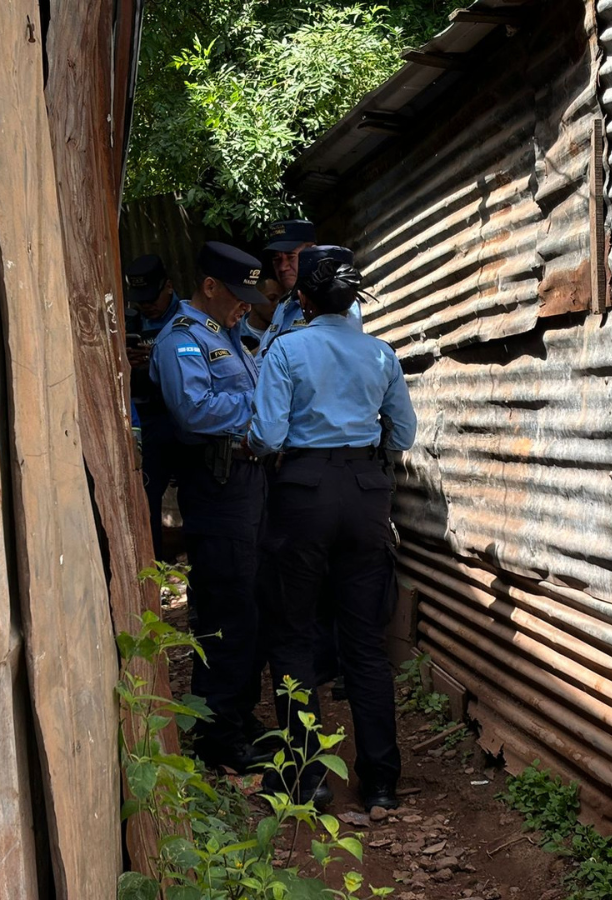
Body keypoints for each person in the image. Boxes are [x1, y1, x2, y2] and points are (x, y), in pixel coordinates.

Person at [247, 248, 417, 811]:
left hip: (303, 494)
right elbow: (403, 435)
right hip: (367, 496)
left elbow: (269, 436)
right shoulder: (380, 354)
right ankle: (383, 783)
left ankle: (310, 778)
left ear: (303, 299)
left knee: (293, 634)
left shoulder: (287, 349)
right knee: (365, 643)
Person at [149, 241, 270, 773]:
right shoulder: (183, 341)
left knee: (250, 609)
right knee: (225, 610)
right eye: (238, 294)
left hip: (249, 487)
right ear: (211, 287)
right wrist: (261, 408)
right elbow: (194, 412)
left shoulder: (231, 336)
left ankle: (238, 716)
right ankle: (218, 735)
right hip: (218, 491)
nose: (247, 304)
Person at [124, 254, 184, 560]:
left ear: (169, 287)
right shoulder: (129, 322)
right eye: (139, 299)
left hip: (185, 420)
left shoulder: (190, 320)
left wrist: (159, 363)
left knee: (196, 503)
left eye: (151, 297)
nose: (146, 305)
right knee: (146, 506)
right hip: (147, 422)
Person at [256, 222, 363, 363]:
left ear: (311, 251)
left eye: (290, 256)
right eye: (277, 259)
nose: (282, 267)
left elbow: (343, 359)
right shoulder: (283, 304)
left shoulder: (336, 299)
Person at [239, 275, 282, 354]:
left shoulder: (283, 333)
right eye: (272, 298)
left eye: (281, 301)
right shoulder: (234, 333)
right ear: (254, 298)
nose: (278, 304)